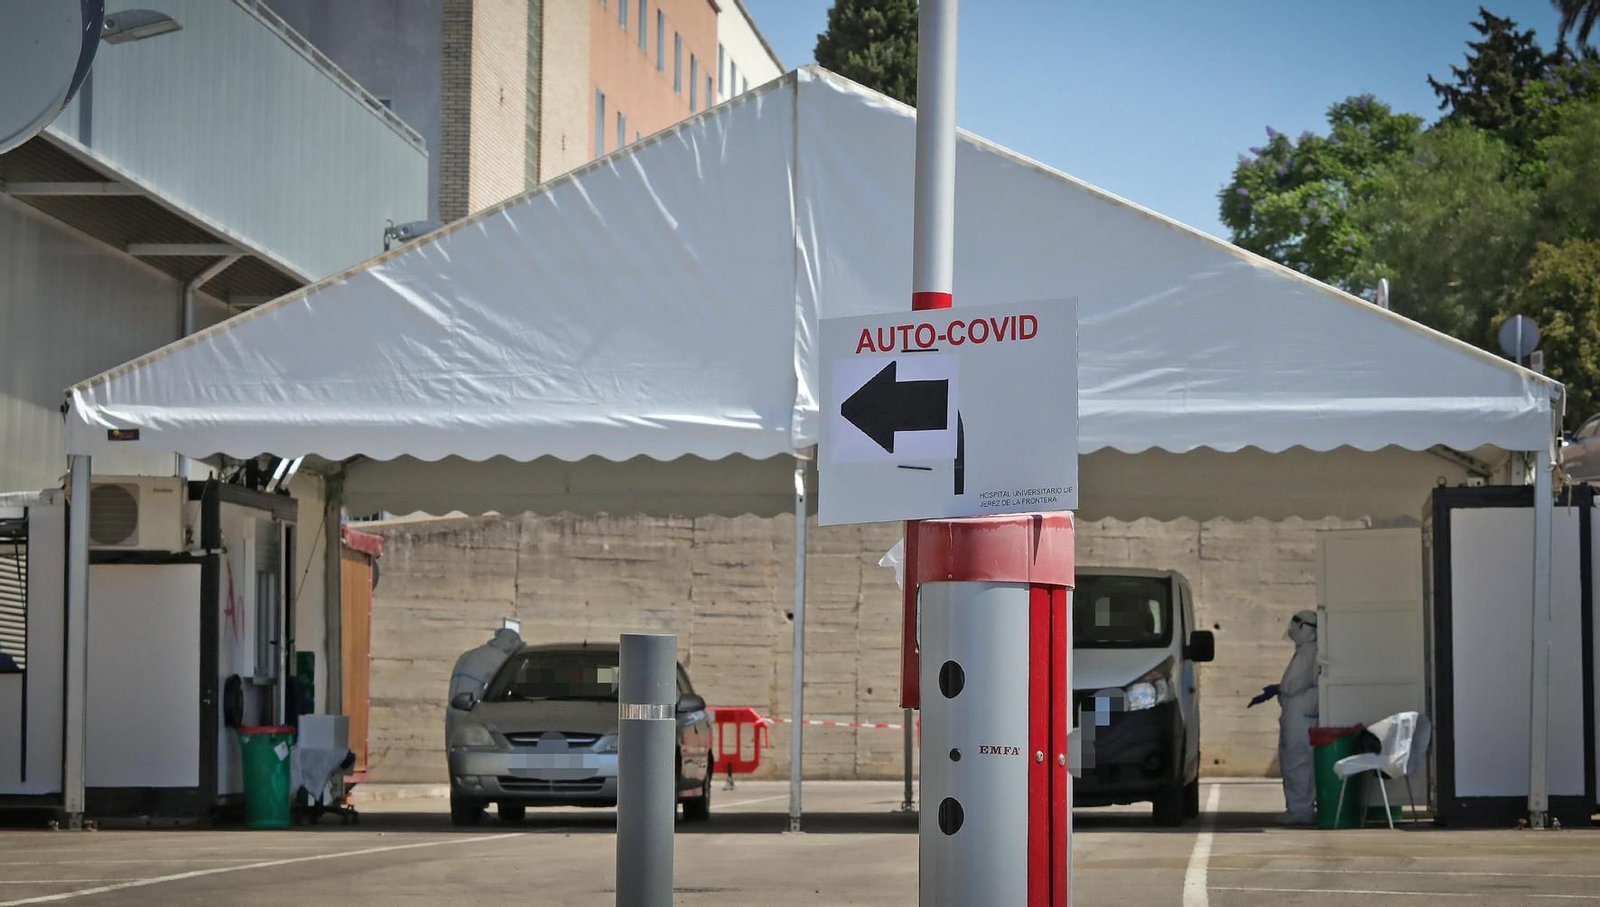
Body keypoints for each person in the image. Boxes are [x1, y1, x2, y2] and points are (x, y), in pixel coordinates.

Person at [1272, 610, 1320, 825]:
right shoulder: (1309, 651)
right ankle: (1299, 807)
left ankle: (1300, 810)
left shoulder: (1307, 653)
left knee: (1297, 761)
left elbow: (1291, 685)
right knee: (1297, 760)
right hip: (1300, 712)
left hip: (1300, 715)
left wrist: (1280, 689)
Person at [445, 626, 522, 743]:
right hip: (472, 715)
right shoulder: (499, 659)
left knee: (455, 754)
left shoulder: (470, 654)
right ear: (512, 644)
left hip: (454, 710)